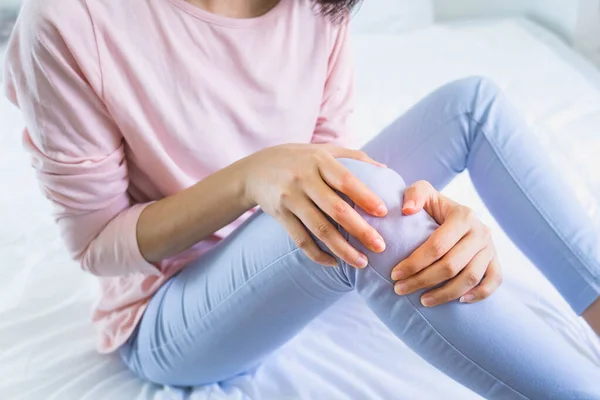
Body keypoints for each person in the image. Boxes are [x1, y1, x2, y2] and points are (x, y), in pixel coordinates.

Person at [4, 0, 600, 397]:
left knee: (473, 107)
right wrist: (249, 178)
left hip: (279, 249)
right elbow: (97, 245)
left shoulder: (317, 5)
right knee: (361, 219)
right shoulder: (70, 19)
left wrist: (442, 215)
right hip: (169, 312)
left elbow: (331, 160)